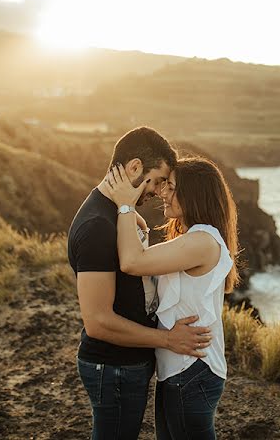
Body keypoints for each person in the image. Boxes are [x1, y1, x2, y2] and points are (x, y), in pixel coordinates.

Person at [68, 127, 213, 440]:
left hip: (125, 364)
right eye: (157, 180)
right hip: (113, 366)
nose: (160, 192)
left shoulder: (117, 216)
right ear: (134, 168)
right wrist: (168, 340)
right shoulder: (98, 226)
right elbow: (97, 322)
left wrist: (130, 211)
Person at [103, 156, 240, 440]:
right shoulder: (194, 238)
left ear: (194, 194)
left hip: (191, 371)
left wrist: (126, 205)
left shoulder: (202, 241)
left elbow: (131, 262)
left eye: (172, 187)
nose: (163, 193)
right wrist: (136, 219)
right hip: (180, 370)